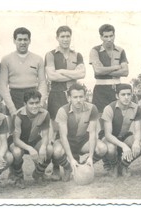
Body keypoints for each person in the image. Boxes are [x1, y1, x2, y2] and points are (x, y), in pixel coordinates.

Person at [0, 27, 48, 182]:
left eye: (25, 39)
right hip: (14, 96)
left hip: (33, 97)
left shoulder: (38, 59)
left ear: (29, 41)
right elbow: (3, 86)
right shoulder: (6, 59)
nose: (22, 42)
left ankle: (39, 171)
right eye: (19, 39)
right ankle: (15, 172)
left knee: (36, 134)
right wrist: (13, 109)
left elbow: (43, 82)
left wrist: (41, 102)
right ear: (14, 40)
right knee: (14, 137)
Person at [45, 25, 86, 180]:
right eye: (62, 36)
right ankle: (56, 167)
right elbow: (52, 76)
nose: (65, 39)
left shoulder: (78, 55)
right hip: (56, 94)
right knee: (55, 130)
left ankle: (71, 165)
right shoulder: (50, 54)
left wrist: (61, 71)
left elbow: (82, 73)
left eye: (68, 36)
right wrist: (72, 74)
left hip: (74, 95)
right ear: (57, 38)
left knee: (73, 128)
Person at [89, 24, 129, 171]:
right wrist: (116, 68)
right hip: (101, 90)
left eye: (111, 36)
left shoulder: (121, 50)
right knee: (103, 127)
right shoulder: (95, 50)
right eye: (105, 36)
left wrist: (109, 71)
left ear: (114, 35)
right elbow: (97, 70)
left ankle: (118, 160)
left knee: (116, 126)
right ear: (101, 37)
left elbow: (126, 72)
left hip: (117, 89)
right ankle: (108, 163)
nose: (108, 39)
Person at [53, 83, 107, 181]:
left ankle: (84, 165)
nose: (78, 100)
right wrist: (71, 160)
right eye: (75, 97)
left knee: (102, 148)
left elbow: (92, 133)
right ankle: (68, 167)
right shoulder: (62, 111)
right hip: (67, 140)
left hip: (82, 140)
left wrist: (90, 156)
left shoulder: (92, 108)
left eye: (81, 97)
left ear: (85, 97)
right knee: (56, 151)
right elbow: (63, 137)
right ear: (69, 98)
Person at [9, 89, 53, 188]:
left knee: (49, 149)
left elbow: (45, 135)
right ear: (25, 104)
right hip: (18, 141)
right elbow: (16, 140)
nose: (34, 106)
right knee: (16, 152)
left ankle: (38, 173)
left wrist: (43, 147)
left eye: (37, 102)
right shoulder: (18, 115)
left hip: (33, 139)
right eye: (31, 103)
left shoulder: (45, 113)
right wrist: (30, 148)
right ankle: (18, 176)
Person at [101, 84, 141, 177]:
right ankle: (114, 165)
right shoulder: (109, 108)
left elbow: (137, 131)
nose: (126, 97)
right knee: (111, 149)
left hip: (124, 136)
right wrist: (123, 145)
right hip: (109, 137)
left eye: (129, 94)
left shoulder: (136, 108)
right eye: (123, 94)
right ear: (117, 96)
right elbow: (108, 134)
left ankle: (124, 165)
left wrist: (136, 142)